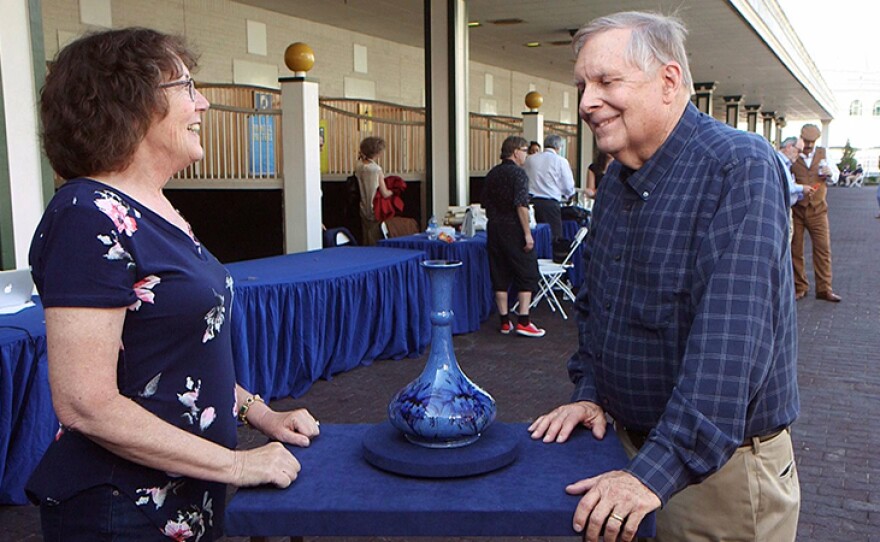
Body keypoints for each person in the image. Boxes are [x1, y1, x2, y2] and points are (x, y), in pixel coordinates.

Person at [27, 28, 319, 541]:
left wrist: (259, 412)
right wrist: (238, 466)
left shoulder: (154, 209)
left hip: (184, 493)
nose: (202, 101)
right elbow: (84, 403)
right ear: (128, 104)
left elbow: (171, 357)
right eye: (186, 86)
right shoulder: (87, 216)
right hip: (123, 509)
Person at [528, 12, 799, 542]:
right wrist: (590, 391)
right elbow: (595, 308)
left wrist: (652, 472)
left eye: (607, 82)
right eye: (583, 85)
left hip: (716, 479)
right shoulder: (614, 180)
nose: (586, 102)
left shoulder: (738, 167)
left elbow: (731, 347)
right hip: (629, 457)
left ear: (669, 81)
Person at [481, 136, 545, 338]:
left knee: (499, 272)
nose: (526, 155)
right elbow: (521, 205)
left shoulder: (492, 173)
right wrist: (527, 234)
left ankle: (504, 321)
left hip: (494, 228)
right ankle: (524, 321)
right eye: (525, 150)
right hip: (513, 228)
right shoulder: (519, 174)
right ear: (516, 151)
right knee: (527, 271)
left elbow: (484, 202)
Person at [791, 124, 841, 302]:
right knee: (795, 249)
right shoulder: (794, 155)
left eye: (812, 142)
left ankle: (824, 288)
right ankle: (800, 286)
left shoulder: (825, 154)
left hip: (818, 210)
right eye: (806, 141)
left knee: (823, 248)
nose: (809, 145)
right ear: (801, 138)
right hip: (796, 209)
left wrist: (830, 174)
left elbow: (836, 176)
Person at [523, 134, 576, 244]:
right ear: (558, 147)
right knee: (553, 239)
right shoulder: (561, 161)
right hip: (550, 205)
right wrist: (569, 195)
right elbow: (568, 186)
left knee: (535, 237)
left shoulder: (530, 159)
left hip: (530, 203)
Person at [356, 136, 392, 245]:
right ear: (378, 152)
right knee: (375, 239)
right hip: (375, 209)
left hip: (362, 208)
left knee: (365, 237)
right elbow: (385, 193)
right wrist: (393, 191)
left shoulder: (358, 166)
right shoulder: (377, 170)